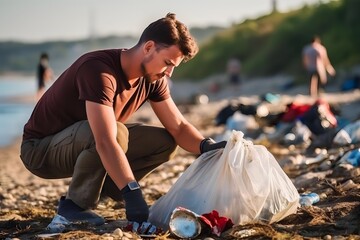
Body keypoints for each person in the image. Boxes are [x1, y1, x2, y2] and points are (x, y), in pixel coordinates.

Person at [20, 13, 226, 227]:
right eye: (167, 63)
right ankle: (74, 208)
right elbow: (105, 140)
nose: (169, 73)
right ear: (148, 48)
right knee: (115, 133)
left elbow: (179, 127)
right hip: (40, 150)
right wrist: (132, 193)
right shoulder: (98, 70)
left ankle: (108, 187)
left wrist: (208, 146)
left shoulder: (153, 78)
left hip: (84, 144)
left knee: (164, 142)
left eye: (174, 67)